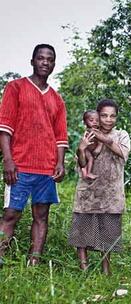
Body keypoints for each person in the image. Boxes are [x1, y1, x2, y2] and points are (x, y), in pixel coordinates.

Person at [0, 44, 68, 266]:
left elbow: (60, 137)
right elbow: (4, 128)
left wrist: (59, 163)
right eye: (41, 58)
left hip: (46, 169)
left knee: (41, 216)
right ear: (32, 61)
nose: (45, 62)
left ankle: (34, 261)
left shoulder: (57, 99)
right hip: (19, 165)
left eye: (49, 59)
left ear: (54, 65)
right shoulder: (16, 88)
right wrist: (8, 160)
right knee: (11, 214)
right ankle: (1, 257)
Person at [68, 99, 130, 275]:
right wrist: (81, 149)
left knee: (108, 231)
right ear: (97, 116)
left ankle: (106, 268)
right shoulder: (88, 136)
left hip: (111, 193)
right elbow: (80, 165)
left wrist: (104, 138)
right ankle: (84, 267)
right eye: (104, 115)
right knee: (82, 229)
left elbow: (123, 153)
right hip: (88, 191)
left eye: (112, 116)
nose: (108, 120)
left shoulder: (121, 135)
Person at [80, 110, 101, 180]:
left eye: (97, 120)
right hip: (86, 150)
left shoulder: (96, 130)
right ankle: (89, 173)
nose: (94, 122)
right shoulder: (90, 130)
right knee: (90, 159)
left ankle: (85, 173)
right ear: (85, 122)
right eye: (91, 120)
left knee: (86, 162)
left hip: (89, 150)